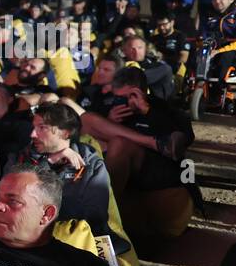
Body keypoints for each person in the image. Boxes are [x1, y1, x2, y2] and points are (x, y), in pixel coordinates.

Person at [10, 102, 127, 255]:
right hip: (26, 238)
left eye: (42, 128)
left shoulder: (90, 164)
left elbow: (95, 215)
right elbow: (13, 201)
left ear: (66, 133)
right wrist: (49, 162)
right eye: (34, 127)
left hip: (77, 241)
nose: (32, 134)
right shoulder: (21, 158)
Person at [72, 66, 193, 200]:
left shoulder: (164, 108)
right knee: (86, 119)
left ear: (141, 92)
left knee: (119, 144)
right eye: (118, 97)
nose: (125, 102)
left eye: (128, 96)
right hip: (123, 167)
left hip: (157, 168)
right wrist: (110, 121)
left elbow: (185, 139)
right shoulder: (112, 107)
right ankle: (153, 142)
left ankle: (103, 206)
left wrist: (148, 111)